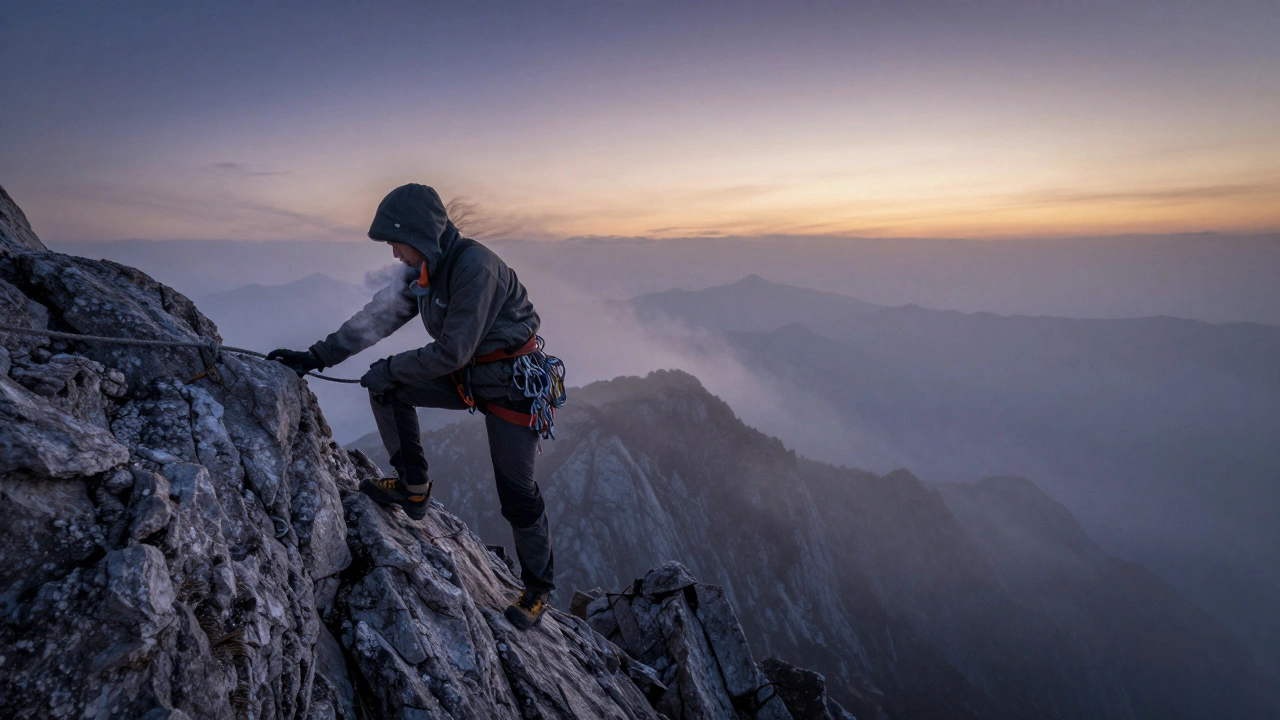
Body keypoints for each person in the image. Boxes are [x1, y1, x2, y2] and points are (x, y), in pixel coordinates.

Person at [268, 184, 556, 629]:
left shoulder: (475, 268)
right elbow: (375, 319)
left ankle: (538, 590)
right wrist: (315, 357)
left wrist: (390, 367)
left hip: (510, 387)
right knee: (388, 388)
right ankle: (413, 487)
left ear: (418, 234)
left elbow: (452, 351)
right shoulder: (424, 268)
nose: (393, 254)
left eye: (394, 242)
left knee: (517, 494)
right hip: (469, 374)